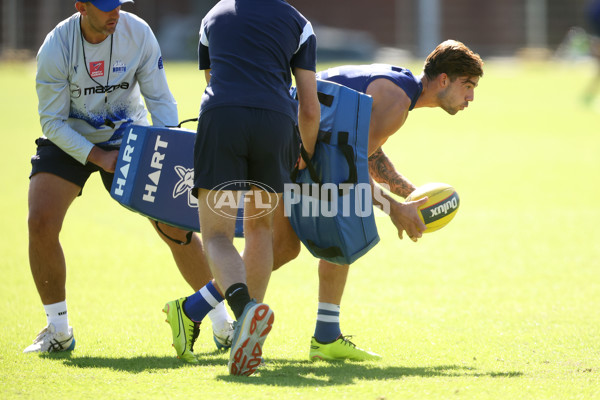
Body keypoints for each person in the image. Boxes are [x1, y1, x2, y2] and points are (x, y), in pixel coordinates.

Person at [25, 0, 233, 354]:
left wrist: (169, 149)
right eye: (105, 6)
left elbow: (160, 100)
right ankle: (58, 331)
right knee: (40, 221)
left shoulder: (137, 33)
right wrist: (98, 157)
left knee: (176, 229)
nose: (115, 12)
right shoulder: (55, 48)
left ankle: (222, 324)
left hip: (130, 137)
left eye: (118, 4)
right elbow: (53, 122)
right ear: (81, 7)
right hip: (69, 137)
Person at [271, 39, 484, 361]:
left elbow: (365, 153)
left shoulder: (401, 88)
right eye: (467, 85)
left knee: (334, 234)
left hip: (296, 141)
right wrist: (395, 209)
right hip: (286, 145)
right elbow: (349, 170)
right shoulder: (396, 104)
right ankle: (195, 308)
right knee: (287, 245)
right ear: (444, 80)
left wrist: (411, 195)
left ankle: (327, 337)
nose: (470, 97)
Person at [163, 0, 320, 376]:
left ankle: (245, 312)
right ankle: (248, 341)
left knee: (216, 235)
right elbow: (310, 108)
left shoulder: (212, 17)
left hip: (223, 119)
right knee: (259, 229)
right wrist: (306, 153)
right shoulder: (299, 22)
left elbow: (212, 81)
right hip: (276, 124)